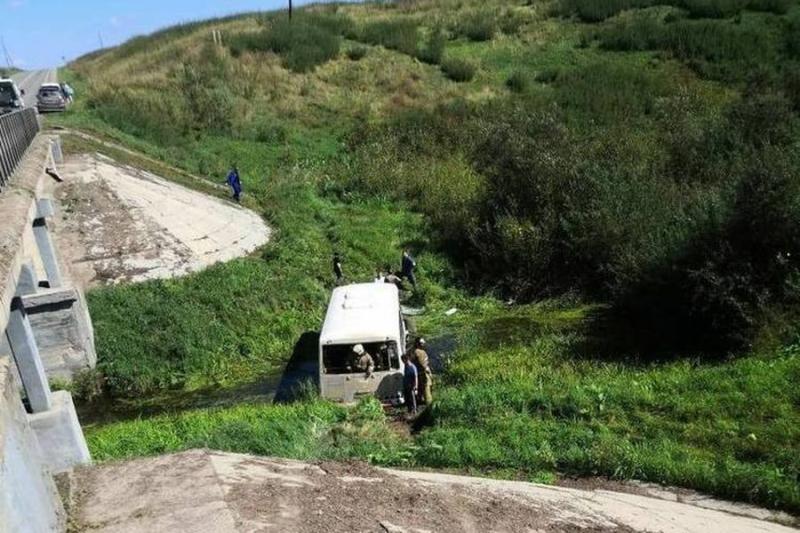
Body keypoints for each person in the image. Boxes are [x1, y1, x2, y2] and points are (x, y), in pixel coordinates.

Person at [412, 337, 433, 405]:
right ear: (418, 344)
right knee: (426, 388)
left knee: (421, 390)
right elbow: (423, 364)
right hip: (423, 374)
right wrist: (428, 372)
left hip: (418, 374)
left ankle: (420, 402)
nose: (423, 345)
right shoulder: (419, 352)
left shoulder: (414, 351)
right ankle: (429, 404)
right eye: (422, 343)